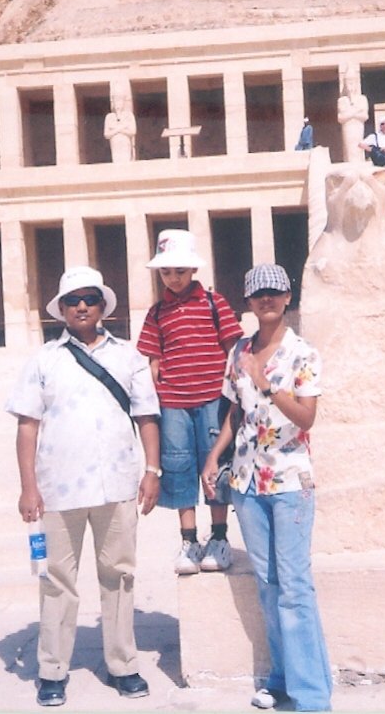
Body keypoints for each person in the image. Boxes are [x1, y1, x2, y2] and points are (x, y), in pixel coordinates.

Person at [6, 266, 161, 707]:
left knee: (120, 576)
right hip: (59, 488)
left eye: (90, 299)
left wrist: (152, 471)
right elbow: (27, 426)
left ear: (102, 306)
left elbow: (146, 416)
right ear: (61, 309)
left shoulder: (128, 356)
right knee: (57, 580)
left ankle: (123, 664)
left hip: (117, 484)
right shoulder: (44, 360)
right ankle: (53, 670)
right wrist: (28, 487)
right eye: (73, 300)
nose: (81, 306)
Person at [201, 264, 332, 713]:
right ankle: (281, 679)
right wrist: (214, 455)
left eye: (275, 292)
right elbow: (235, 412)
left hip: (289, 481)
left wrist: (267, 384)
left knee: (294, 586)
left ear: (287, 296)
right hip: (246, 482)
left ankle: (312, 696)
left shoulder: (303, 353)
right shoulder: (238, 351)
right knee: (269, 585)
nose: (267, 300)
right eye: (259, 294)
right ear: (249, 302)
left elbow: (306, 418)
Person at [137, 229, 243, 575]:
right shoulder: (157, 313)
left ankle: (219, 537)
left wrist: (237, 390)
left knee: (214, 467)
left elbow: (232, 348)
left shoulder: (214, 303)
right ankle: (189, 540)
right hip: (174, 403)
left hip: (212, 398)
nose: (174, 278)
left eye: (180, 271)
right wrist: (153, 392)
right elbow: (153, 359)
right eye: (166, 272)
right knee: (179, 466)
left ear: (194, 269)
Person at [358, 117, 385, 218]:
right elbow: (361, 144)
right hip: (378, 165)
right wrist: (373, 150)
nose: (384, 126)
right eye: (382, 124)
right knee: (377, 187)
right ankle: (378, 209)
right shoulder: (375, 136)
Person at [336, 63, 369, 163]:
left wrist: (350, 113)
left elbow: (365, 116)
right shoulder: (342, 100)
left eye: (352, 81)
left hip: (358, 127)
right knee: (349, 149)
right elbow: (340, 118)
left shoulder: (362, 99)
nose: (350, 84)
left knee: (358, 148)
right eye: (348, 81)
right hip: (348, 128)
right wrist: (355, 112)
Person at [104, 93, 138, 163]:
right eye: (115, 102)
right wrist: (122, 127)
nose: (117, 104)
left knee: (126, 161)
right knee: (116, 161)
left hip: (125, 142)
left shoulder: (129, 115)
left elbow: (133, 132)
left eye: (119, 101)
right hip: (115, 143)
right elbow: (106, 134)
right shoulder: (109, 117)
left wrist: (115, 128)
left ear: (123, 102)